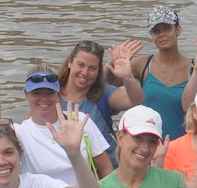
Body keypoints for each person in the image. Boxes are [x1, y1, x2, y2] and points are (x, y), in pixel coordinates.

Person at [59, 39, 145, 167]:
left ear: (99, 71)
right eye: (80, 65)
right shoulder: (50, 94)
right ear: (70, 62)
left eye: (92, 68)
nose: (85, 73)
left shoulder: (103, 94)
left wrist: (127, 76)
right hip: (65, 172)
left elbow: (136, 100)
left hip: (107, 173)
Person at [132, 5, 194, 139]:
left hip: (183, 148)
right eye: (156, 31)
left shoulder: (196, 68)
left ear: (178, 29)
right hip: (148, 147)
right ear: (151, 35)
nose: (161, 34)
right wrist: (114, 62)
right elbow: (105, 82)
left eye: (167, 28)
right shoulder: (142, 65)